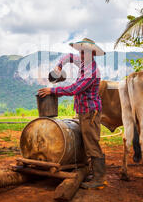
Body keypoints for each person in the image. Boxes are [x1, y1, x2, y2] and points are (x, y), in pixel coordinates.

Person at [38, 38, 106, 189]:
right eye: (81, 51)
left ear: (92, 54)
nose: (82, 55)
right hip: (83, 110)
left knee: (91, 143)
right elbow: (68, 56)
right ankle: (93, 173)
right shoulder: (82, 62)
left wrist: (52, 90)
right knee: (86, 141)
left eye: (85, 52)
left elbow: (74, 89)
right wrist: (58, 67)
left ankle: (99, 178)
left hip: (90, 112)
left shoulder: (92, 72)